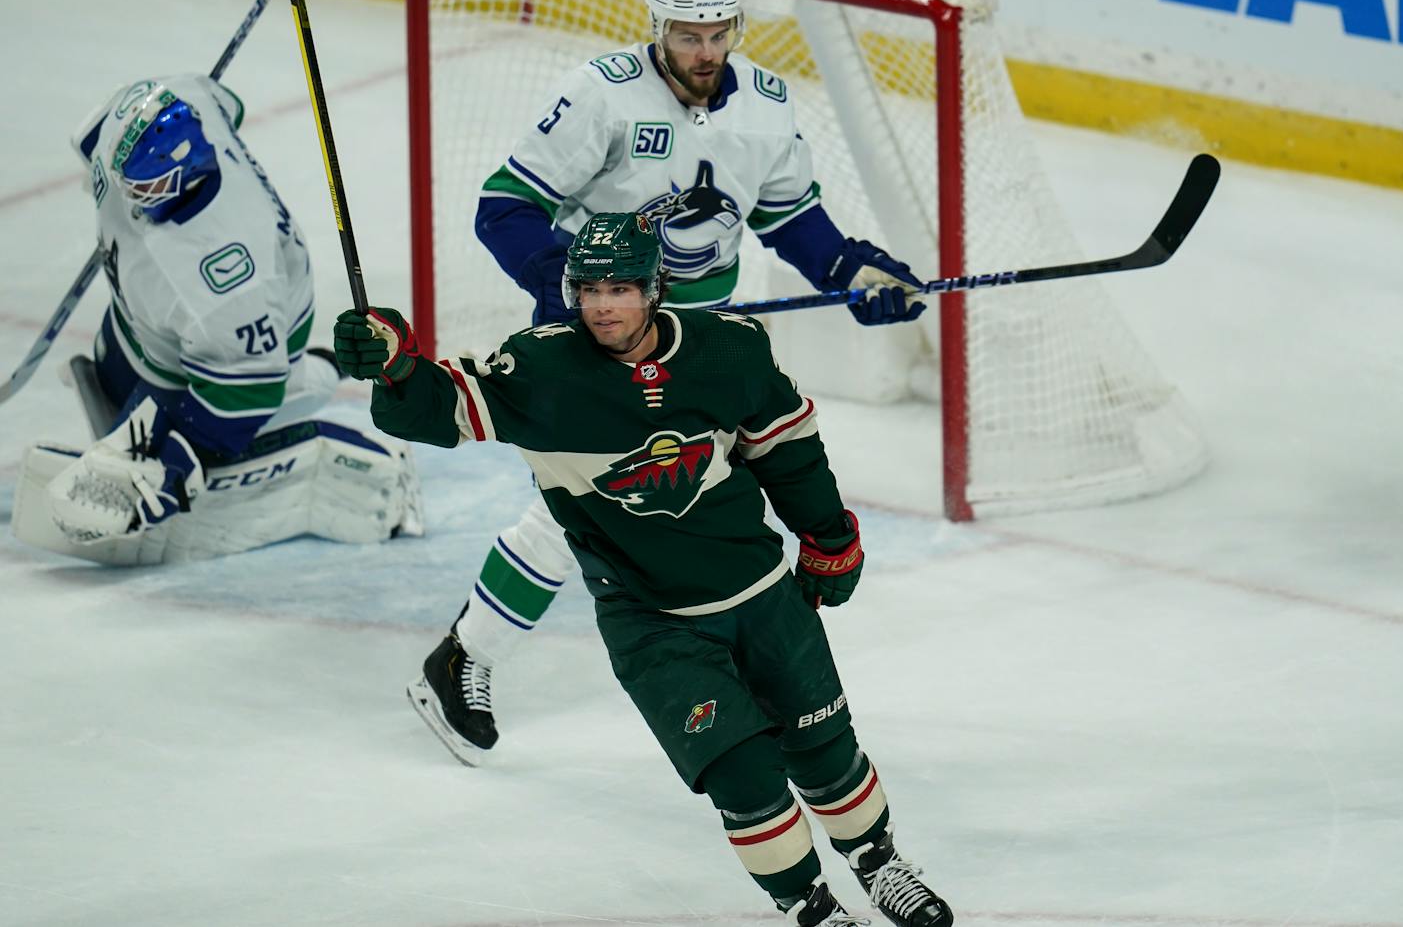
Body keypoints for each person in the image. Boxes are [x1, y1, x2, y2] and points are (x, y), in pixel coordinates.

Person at [333, 212, 952, 927]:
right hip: (652, 624)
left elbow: (788, 450)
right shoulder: (539, 370)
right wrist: (394, 361)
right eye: (589, 288)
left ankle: (880, 863)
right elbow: (434, 407)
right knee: (742, 773)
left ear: (655, 288)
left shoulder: (729, 351)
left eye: (621, 287)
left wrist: (829, 536)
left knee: (825, 749)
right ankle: (812, 906)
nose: (603, 305)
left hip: (760, 596)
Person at [411, 0, 927, 760]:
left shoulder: (764, 105)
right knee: (591, 511)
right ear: (657, 28)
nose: (704, 50)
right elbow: (504, 208)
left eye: (717, 32)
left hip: (703, 346)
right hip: (600, 346)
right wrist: (574, 299)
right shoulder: (602, 95)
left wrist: (849, 268)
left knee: (694, 509)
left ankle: (722, 669)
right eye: (688, 34)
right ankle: (466, 655)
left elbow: (793, 219)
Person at [12, 73, 421, 565]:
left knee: (212, 414)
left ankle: (322, 411)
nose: (132, 200)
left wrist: (182, 458)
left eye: (148, 188)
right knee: (112, 380)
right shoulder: (186, 99)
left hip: (248, 336)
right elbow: (223, 101)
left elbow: (249, 392)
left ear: (191, 171)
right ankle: (315, 370)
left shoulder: (227, 281)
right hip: (165, 322)